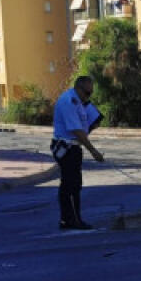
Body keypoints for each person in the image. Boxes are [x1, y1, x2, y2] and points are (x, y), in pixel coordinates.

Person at [51, 76, 104, 229]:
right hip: (66, 147)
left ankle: (69, 219)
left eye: (91, 93)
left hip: (73, 147)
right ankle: (72, 220)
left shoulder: (79, 101)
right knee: (71, 185)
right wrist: (93, 151)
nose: (89, 96)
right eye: (87, 93)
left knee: (73, 184)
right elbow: (76, 130)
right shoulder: (69, 101)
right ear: (79, 88)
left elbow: (84, 125)